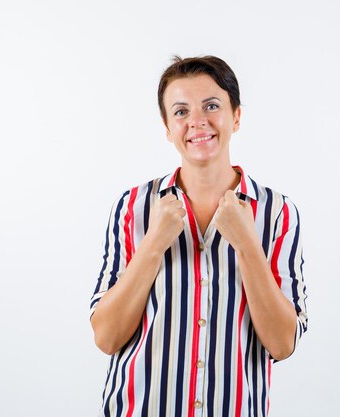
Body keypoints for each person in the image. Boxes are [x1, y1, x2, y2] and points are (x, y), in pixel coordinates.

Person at [89, 55, 308, 417]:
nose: (197, 121)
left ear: (236, 116)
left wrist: (249, 244)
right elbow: (107, 337)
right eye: (180, 111)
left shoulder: (278, 213)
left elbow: (283, 344)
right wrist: (154, 242)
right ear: (166, 127)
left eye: (211, 105)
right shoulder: (133, 208)